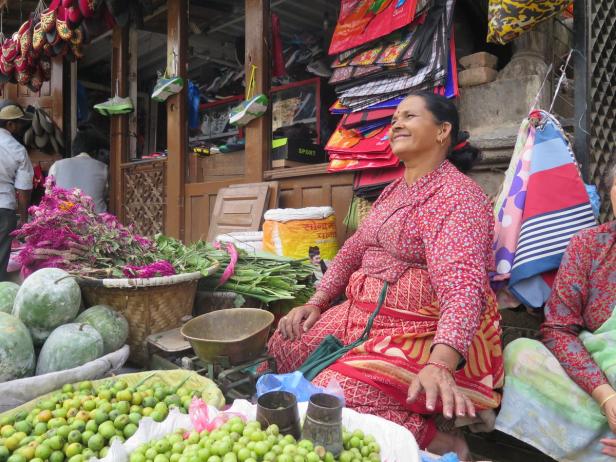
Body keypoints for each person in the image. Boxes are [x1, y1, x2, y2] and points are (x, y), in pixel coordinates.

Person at [268, 92, 504, 458]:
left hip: (422, 333)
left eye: (409, 116)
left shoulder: (458, 198)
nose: (395, 124)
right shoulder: (394, 190)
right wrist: (316, 303)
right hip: (363, 316)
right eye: (394, 118)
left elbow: (462, 289)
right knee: (285, 343)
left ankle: (442, 442)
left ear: (443, 131)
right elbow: (353, 250)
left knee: (334, 391)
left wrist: (441, 364)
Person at [495, 161, 616, 461]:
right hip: (597, 392)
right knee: (521, 353)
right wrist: (605, 395)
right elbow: (559, 328)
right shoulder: (589, 246)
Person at [0, 100, 34, 281]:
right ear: (10, 124)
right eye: (19, 123)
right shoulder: (18, 150)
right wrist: (22, 218)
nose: (21, 127)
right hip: (3, 209)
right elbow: (24, 188)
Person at [49, 126, 109, 213]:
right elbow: (104, 195)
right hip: (97, 223)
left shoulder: (56, 166)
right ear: (95, 152)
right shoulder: (103, 168)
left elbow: (49, 195)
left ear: (74, 149)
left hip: (63, 220)